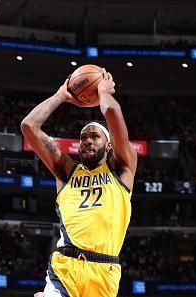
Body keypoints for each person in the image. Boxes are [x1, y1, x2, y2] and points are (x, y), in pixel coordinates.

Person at [21, 70, 137, 297]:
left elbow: (112, 112)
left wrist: (102, 91)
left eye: (94, 136)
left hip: (105, 271)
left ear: (110, 145)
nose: (87, 141)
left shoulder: (123, 168)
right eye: (83, 138)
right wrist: (60, 96)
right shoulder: (66, 172)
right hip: (66, 267)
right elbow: (29, 127)